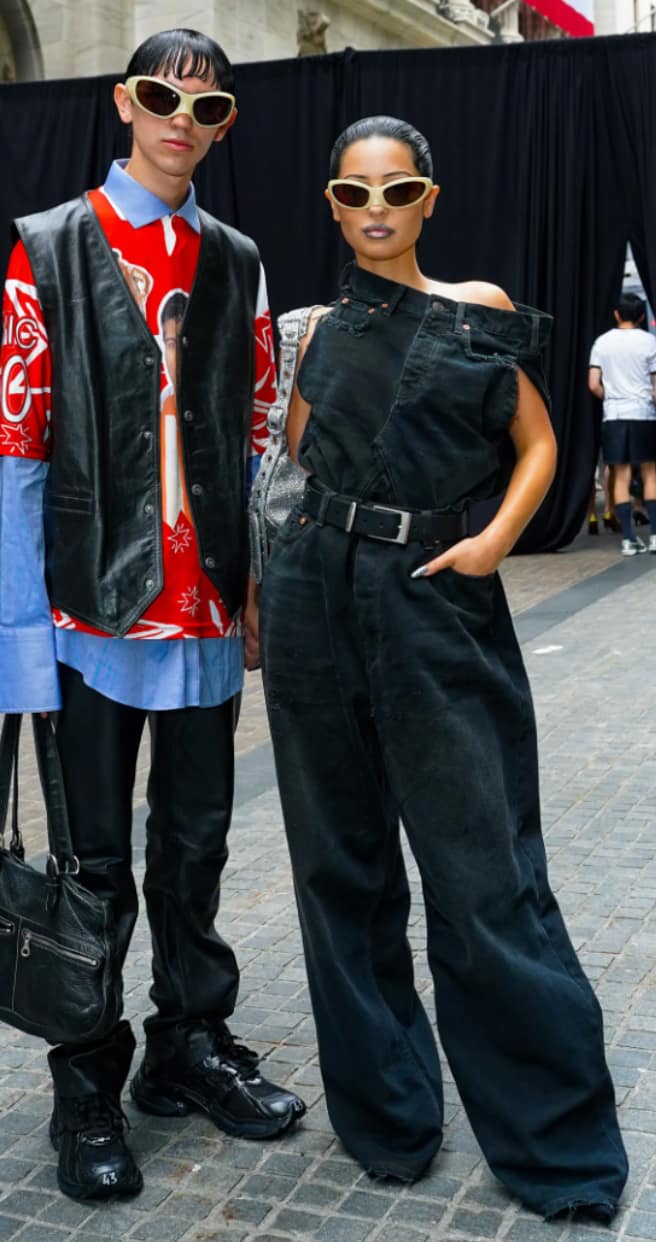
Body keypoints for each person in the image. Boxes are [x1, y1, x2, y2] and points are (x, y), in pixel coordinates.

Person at [257, 116, 628, 1222]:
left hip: (433, 589)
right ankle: (388, 1118)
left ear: (429, 198)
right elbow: (288, 463)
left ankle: (556, 1148)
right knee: (341, 866)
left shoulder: (481, 311)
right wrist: (264, 598)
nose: (377, 207)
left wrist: (493, 542)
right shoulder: (315, 327)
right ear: (331, 203)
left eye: (398, 187)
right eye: (355, 191)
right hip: (315, 589)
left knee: (484, 873)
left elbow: (542, 443)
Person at [0, 28, 304, 1205]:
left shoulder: (236, 256)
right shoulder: (50, 247)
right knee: (93, 864)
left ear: (224, 124)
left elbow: (263, 433)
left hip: (209, 605)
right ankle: (86, 1082)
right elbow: (16, 446)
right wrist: (15, 637)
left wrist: (261, 584)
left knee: (198, 844)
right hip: (88, 610)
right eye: (164, 97)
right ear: (127, 102)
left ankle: (190, 1043)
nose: (183, 119)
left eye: (208, 107)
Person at [588, 292, 656, 554]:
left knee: (621, 474)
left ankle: (628, 539)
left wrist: (612, 397)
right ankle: (653, 536)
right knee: (650, 472)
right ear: (641, 316)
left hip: (614, 415)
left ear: (616, 314)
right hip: (643, 414)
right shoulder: (649, 343)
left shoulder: (601, 344)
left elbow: (593, 384)